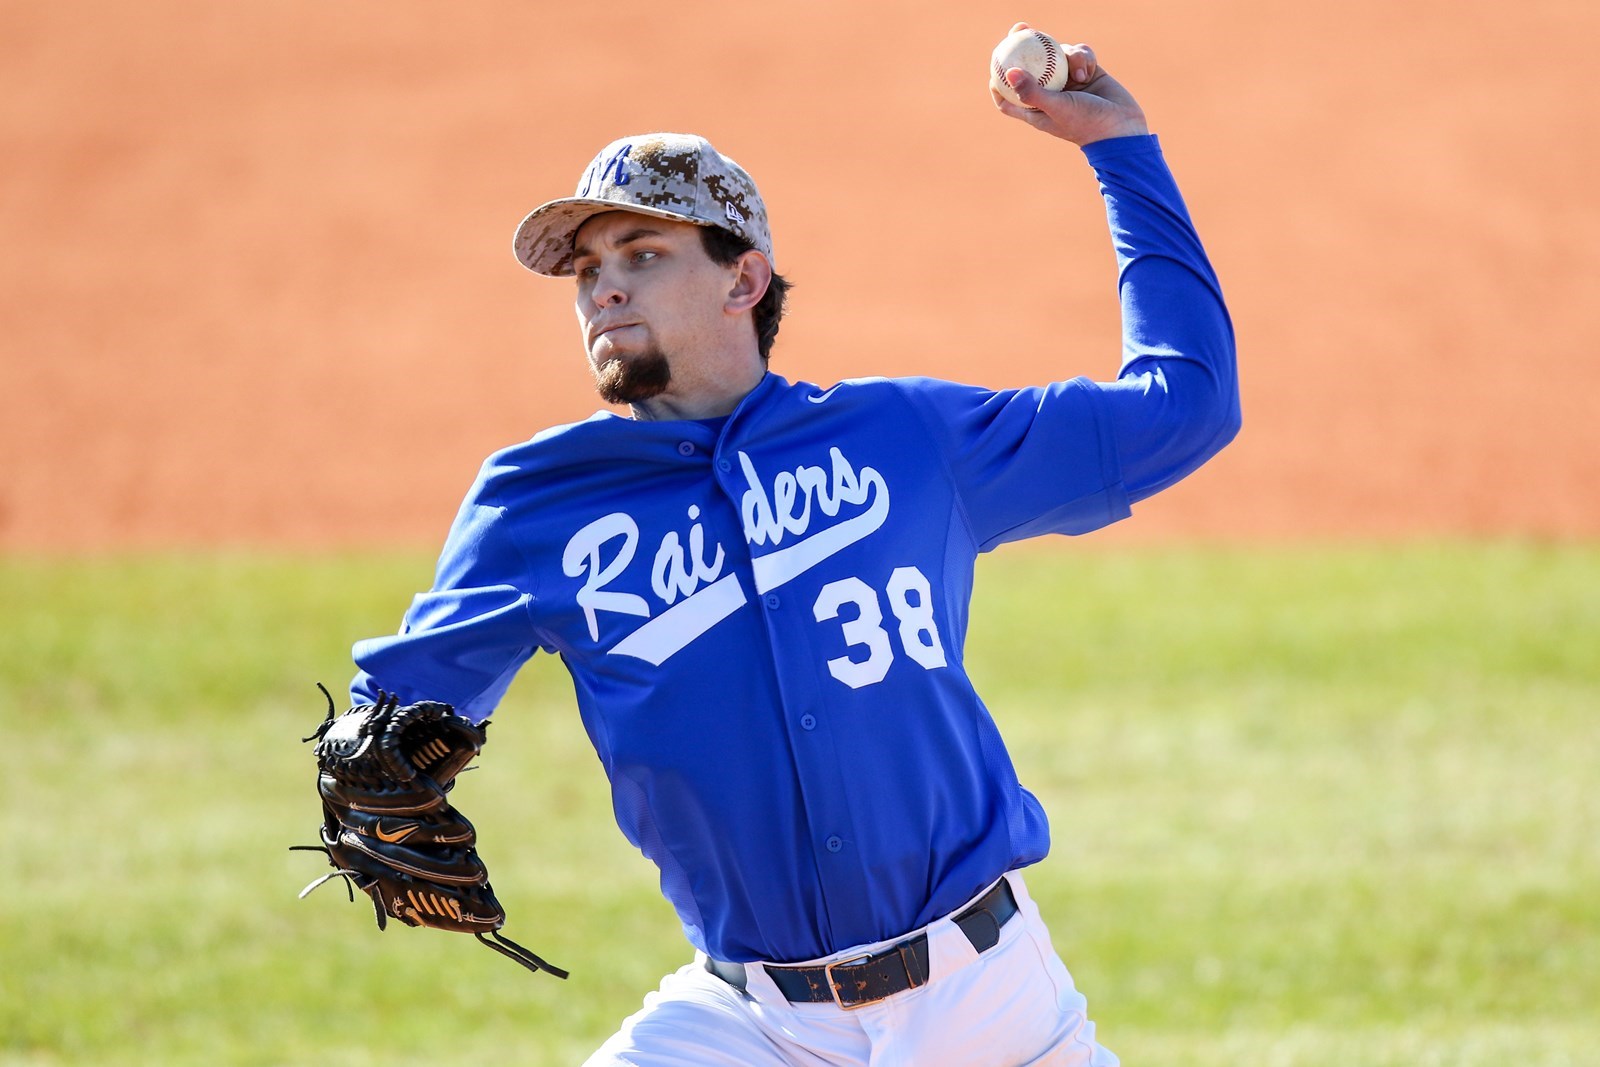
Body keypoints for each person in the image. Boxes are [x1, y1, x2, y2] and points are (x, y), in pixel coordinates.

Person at [349, 30, 1237, 1066]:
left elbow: (1184, 407)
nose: (603, 290)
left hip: (986, 1003)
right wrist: (370, 769)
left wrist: (1120, 149)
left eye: (641, 255)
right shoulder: (536, 504)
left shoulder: (906, 439)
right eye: (588, 269)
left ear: (744, 280)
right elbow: (394, 725)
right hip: (748, 1022)